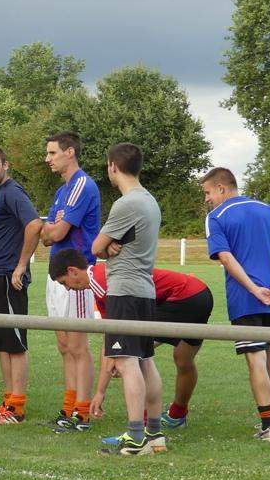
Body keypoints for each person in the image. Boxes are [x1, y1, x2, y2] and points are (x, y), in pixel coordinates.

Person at [49, 248, 214, 436]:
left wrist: (101, 390)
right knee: (183, 360)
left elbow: (114, 340)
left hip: (183, 297)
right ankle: (177, 414)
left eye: (65, 283)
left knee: (135, 356)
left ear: (72, 271)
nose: (68, 289)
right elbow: (110, 335)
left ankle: (145, 428)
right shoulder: (101, 280)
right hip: (201, 293)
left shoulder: (102, 283)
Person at [201, 167, 270, 444]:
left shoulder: (216, 217)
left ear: (221, 188)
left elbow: (226, 258)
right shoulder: (268, 209)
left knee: (256, 358)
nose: (206, 199)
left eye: (207, 192)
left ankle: (268, 426)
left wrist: (253, 289)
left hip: (246, 298)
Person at [88, 143, 165, 455]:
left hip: (125, 291)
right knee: (146, 360)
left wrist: (106, 248)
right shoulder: (149, 200)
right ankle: (155, 433)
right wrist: (109, 246)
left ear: (112, 167)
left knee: (127, 361)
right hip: (145, 290)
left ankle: (135, 438)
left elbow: (95, 247)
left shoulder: (126, 204)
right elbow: (111, 244)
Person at [0, 146, 42, 425]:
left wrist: (21, 264)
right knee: (2, 343)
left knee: (15, 343)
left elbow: (34, 225)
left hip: (7, 278)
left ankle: (17, 408)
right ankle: (8, 403)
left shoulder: (13, 191)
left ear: (6, 165)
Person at [40, 131, 99, 431]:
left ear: (70, 152)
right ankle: (69, 406)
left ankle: (83, 412)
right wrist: (49, 231)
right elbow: (46, 234)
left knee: (78, 345)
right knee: (64, 345)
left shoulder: (81, 185)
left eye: (52, 153)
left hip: (76, 275)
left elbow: (56, 233)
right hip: (58, 274)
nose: (47, 159)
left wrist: (50, 230)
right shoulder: (62, 191)